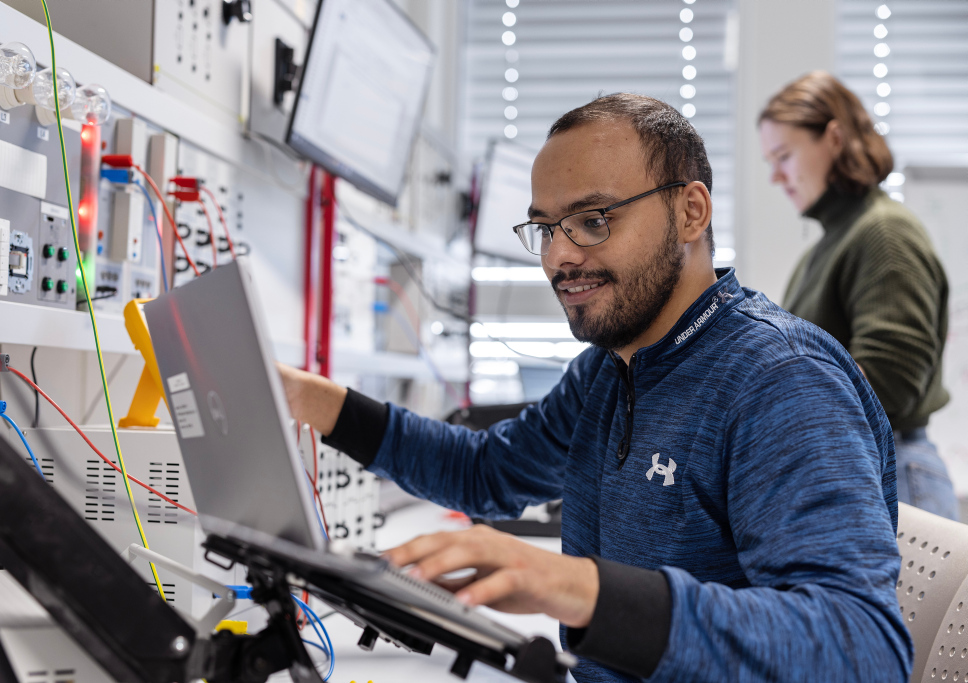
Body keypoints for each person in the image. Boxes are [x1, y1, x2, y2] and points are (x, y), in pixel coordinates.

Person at [279, 93, 912, 682]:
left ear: (691, 211)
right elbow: (489, 472)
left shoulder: (779, 379)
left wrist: (582, 589)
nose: (559, 256)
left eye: (593, 219)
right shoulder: (611, 369)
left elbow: (863, 647)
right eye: (547, 228)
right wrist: (314, 402)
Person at [759, 71, 958, 521]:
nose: (775, 176)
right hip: (866, 468)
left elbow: (890, 377)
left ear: (833, 138)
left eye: (783, 156)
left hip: (892, 473)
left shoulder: (883, 233)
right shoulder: (832, 244)